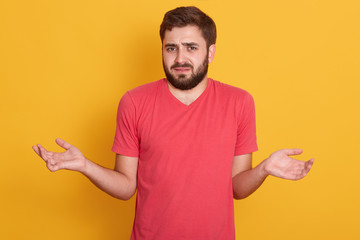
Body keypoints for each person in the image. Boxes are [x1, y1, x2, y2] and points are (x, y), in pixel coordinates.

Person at [32, 6, 314, 240]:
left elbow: (238, 187)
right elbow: (126, 185)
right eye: (171, 48)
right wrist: (85, 166)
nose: (180, 58)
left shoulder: (239, 102)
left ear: (210, 53)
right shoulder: (134, 102)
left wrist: (264, 168)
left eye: (191, 47)